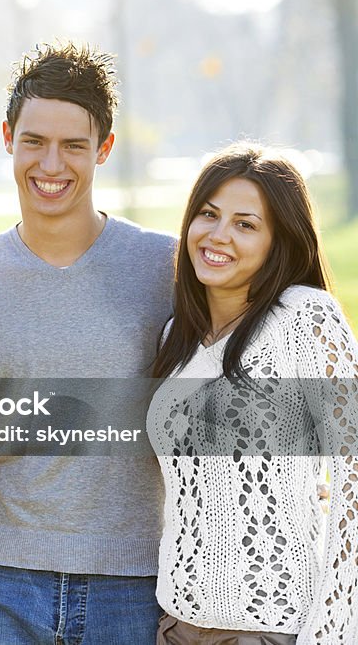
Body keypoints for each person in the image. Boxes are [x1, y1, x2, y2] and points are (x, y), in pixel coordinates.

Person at [0, 42, 176, 643]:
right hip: (1, 575)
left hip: (132, 577)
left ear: (104, 148)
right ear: (7, 137)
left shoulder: (164, 268)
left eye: (73, 145)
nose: (51, 164)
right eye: (34, 141)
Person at [148, 144, 358, 644]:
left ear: (277, 242)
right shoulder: (175, 338)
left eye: (245, 224)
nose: (218, 236)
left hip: (271, 632)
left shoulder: (304, 318)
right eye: (208, 214)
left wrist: (332, 631)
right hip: (176, 626)